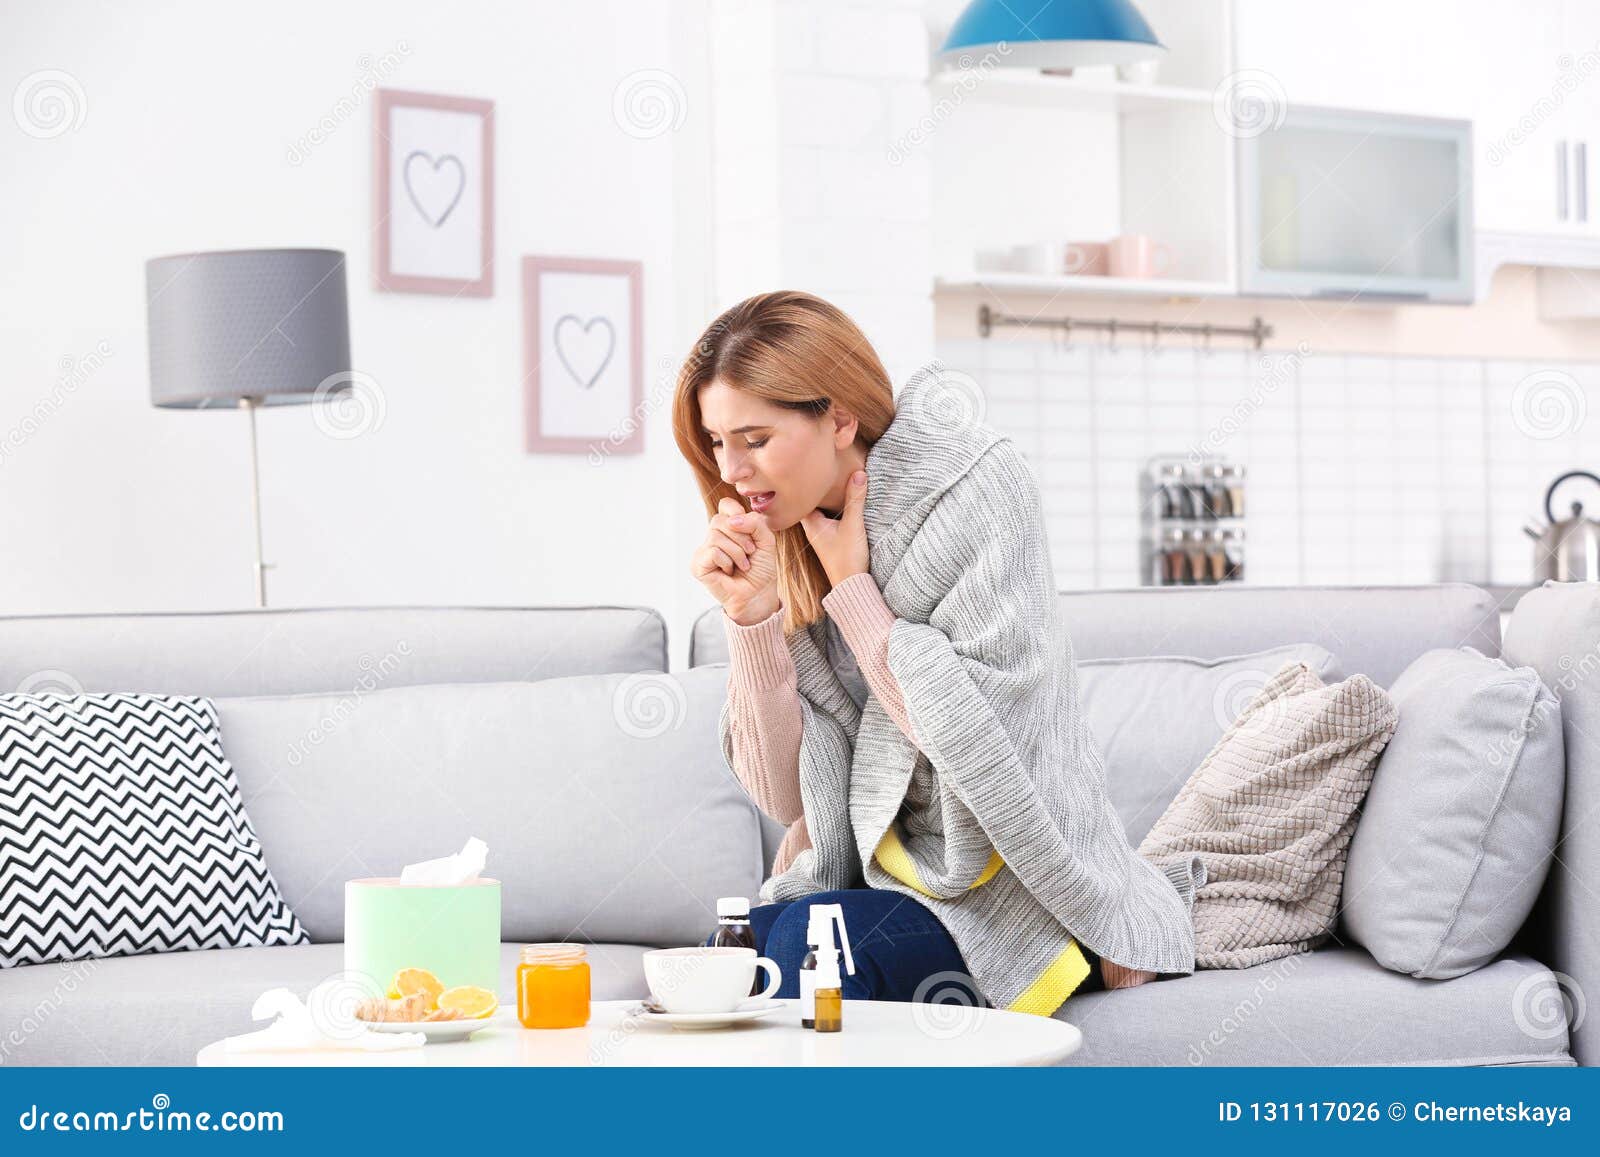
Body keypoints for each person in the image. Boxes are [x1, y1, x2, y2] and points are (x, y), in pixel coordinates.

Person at [673, 290, 1201, 1015]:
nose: (731, 470)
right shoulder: (787, 541)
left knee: (809, 944)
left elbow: (983, 742)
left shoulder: (977, 492)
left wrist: (855, 591)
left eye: (755, 439)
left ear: (838, 418)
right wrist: (753, 617)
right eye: (717, 442)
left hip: (1000, 883)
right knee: (722, 968)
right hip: (875, 876)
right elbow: (786, 798)